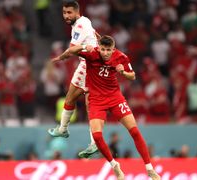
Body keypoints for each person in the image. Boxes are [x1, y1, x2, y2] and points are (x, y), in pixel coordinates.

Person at [51, 35, 161, 180]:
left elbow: (132, 76)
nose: (105, 53)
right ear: (99, 47)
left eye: (108, 50)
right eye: (102, 49)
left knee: (134, 131)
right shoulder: (92, 53)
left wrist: (122, 72)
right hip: (96, 100)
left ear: (113, 48)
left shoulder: (121, 57)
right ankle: (115, 165)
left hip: (115, 97)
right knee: (96, 136)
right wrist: (84, 47)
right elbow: (71, 51)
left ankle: (149, 169)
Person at [48, 0, 99, 158]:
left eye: (69, 12)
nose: (66, 16)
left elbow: (72, 50)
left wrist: (60, 58)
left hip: (88, 66)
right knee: (90, 105)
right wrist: (102, 43)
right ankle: (94, 142)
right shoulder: (86, 21)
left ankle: (63, 129)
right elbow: (95, 33)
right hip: (95, 66)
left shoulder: (79, 26)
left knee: (70, 98)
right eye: (64, 13)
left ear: (77, 12)